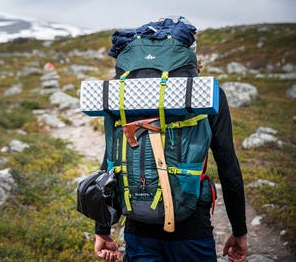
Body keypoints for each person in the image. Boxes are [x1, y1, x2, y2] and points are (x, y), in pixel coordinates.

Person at [93, 60, 248, 262]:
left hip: (138, 225)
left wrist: (102, 229)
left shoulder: (121, 93)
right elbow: (229, 169)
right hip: (192, 228)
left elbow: (109, 166)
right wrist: (239, 230)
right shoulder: (208, 93)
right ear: (190, 58)